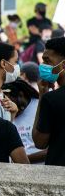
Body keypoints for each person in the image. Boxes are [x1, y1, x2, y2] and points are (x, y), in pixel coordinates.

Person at [33, 37, 65, 166]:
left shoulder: (51, 99)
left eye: (47, 61)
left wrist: (42, 96)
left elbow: (39, 142)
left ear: (63, 64)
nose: (43, 66)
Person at [5, 79, 46, 164]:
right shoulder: (6, 112)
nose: (7, 105)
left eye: (10, 100)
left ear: (21, 95)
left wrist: (22, 159)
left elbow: (53, 150)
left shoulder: (41, 106)